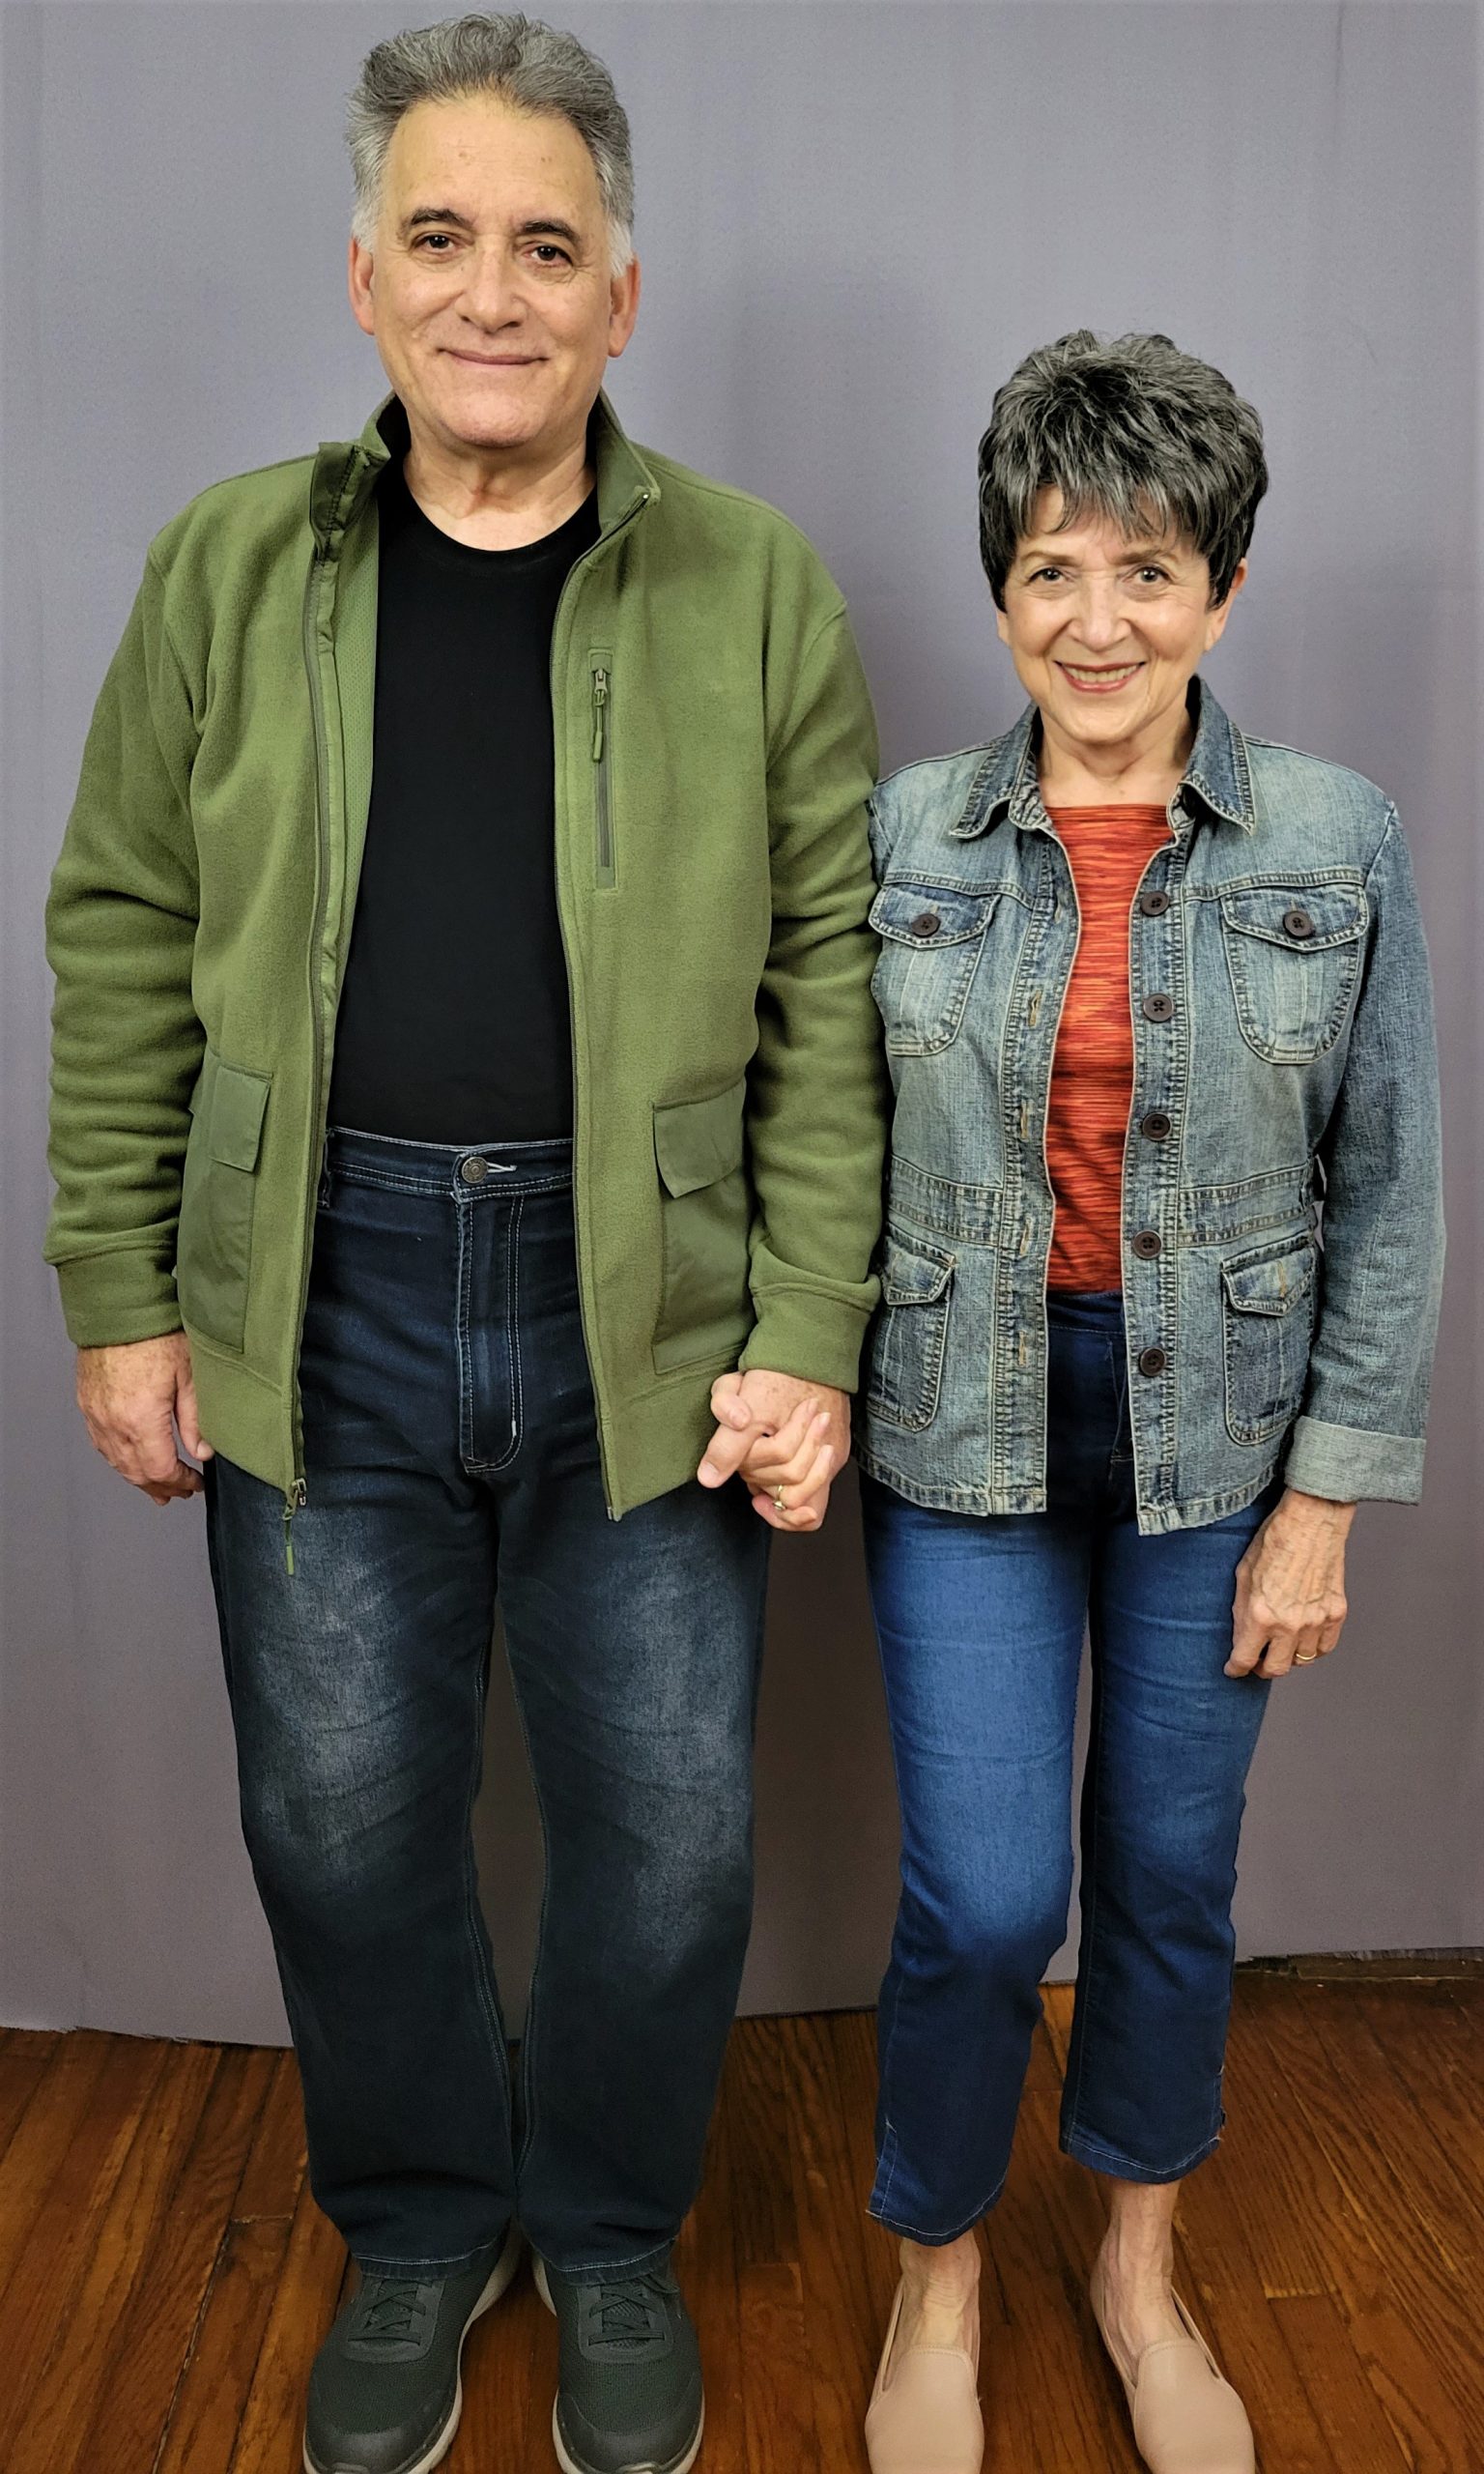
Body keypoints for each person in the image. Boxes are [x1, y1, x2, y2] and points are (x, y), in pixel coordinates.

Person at [42, 16, 884, 2474]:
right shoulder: (226, 563)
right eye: (440, 237)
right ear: (364, 281)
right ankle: (419, 2220)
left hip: (654, 1299)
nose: (491, 291)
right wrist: (121, 1289)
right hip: (318, 1281)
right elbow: (121, 927)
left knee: (673, 1834)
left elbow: (834, 984)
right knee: (334, 1815)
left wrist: (810, 1321)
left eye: (544, 244)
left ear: (622, 293)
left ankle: (607, 2233)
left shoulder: (753, 584)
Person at [854, 331, 1443, 2474]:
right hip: (964, 1429)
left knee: (1173, 1878)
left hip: (1225, 1445)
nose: (1096, 621)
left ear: (1223, 588)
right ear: (999, 587)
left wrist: (1328, 1499)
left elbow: (1392, 1184)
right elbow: (817, 1138)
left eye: (1148, 570)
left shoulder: (1335, 837)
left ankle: (1136, 2266)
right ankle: (935, 2278)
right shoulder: (904, 833)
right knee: (986, 1898)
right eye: (1050, 569)